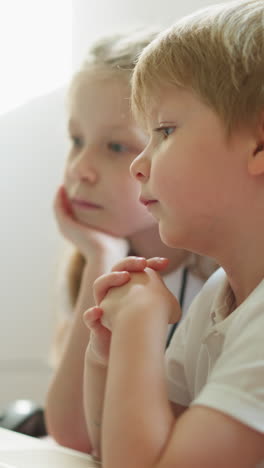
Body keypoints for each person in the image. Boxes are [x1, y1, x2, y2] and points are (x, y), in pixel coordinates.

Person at [83, 1, 264, 467]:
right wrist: (108, 355)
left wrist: (140, 322)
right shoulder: (223, 293)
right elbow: (116, 450)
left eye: (164, 131)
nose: (138, 165)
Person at [45, 29, 217, 453]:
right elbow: (75, 434)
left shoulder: (225, 278)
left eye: (117, 146)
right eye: (76, 140)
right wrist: (100, 258)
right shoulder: (95, 267)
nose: (80, 168)